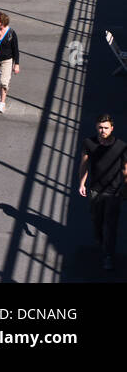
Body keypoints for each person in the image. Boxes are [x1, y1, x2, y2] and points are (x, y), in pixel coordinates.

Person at [79, 115, 127, 271]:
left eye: (106, 128)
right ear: (96, 127)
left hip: (114, 192)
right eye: (100, 127)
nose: (103, 130)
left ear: (112, 128)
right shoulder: (89, 143)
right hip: (95, 190)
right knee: (96, 221)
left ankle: (108, 256)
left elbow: (126, 170)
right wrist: (82, 183)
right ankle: (99, 238)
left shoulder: (121, 146)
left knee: (111, 226)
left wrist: (125, 187)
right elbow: (84, 165)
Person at [0, 12, 20, 113]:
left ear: (3, 22)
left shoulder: (11, 33)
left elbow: (16, 50)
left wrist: (17, 64)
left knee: (4, 83)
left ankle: (2, 103)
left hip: (7, 60)